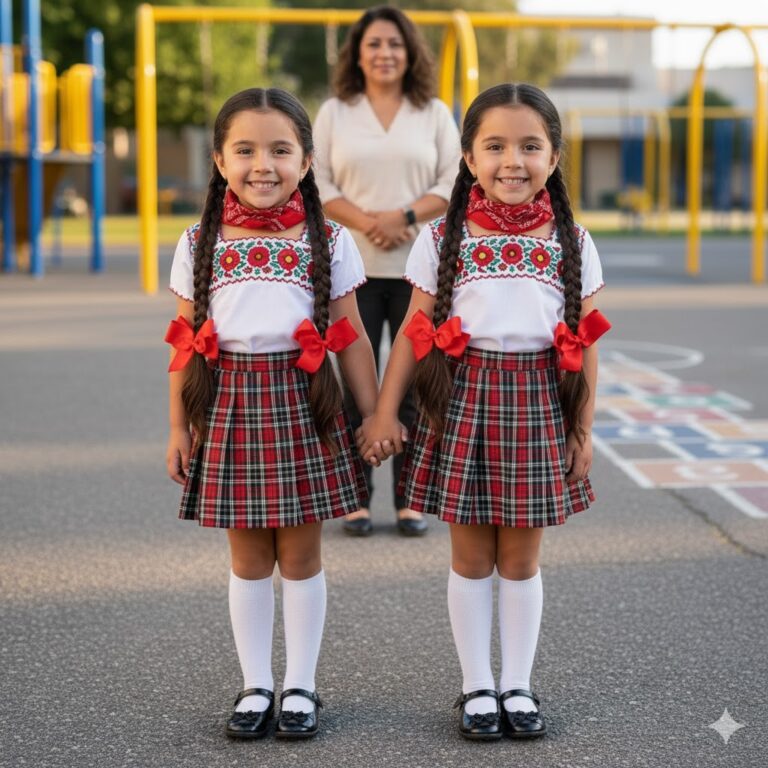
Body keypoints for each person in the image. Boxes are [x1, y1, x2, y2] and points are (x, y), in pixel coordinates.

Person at [358, 83, 610, 740]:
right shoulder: (441, 238)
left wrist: (583, 427)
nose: (512, 161)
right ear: (468, 157)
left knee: (521, 560)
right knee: (471, 557)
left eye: (530, 146)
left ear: (554, 156)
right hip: (463, 400)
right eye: (494, 146)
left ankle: (517, 685)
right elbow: (415, 330)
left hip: (538, 406)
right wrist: (385, 413)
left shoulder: (572, 240)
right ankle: (476, 687)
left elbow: (582, 342)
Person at [165, 87, 378, 741]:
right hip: (228, 406)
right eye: (246, 150)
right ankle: (257, 683)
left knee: (302, 555)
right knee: (249, 558)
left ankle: (301, 686)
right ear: (221, 161)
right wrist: (178, 427)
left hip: (305, 404)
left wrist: (373, 417)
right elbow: (182, 339)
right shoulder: (199, 240)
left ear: (307, 161)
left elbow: (353, 337)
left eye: (281, 149)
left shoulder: (332, 239)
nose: (264, 164)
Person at [313, 5, 461, 536]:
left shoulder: (434, 112)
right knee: (358, 384)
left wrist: (402, 218)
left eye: (394, 44)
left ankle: (410, 497)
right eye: (373, 43)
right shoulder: (335, 111)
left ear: (410, 52)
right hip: (350, 268)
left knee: (418, 381)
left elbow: (452, 181)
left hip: (418, 269)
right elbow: (320, 183)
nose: (384, 53)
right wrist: (370, 223)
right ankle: (355, 497)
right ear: (357, 52)